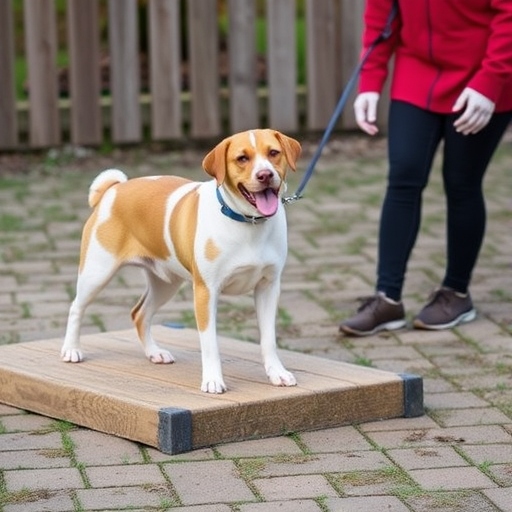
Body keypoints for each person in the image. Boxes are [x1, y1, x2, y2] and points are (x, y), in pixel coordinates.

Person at [339, 0, 512, 336]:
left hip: (482, 76)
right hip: (417, 74)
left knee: (462, 183)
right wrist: (370, 81)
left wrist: (491, 80)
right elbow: (381, 17)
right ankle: (387, 298)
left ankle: (456, 293)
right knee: (403, 177)